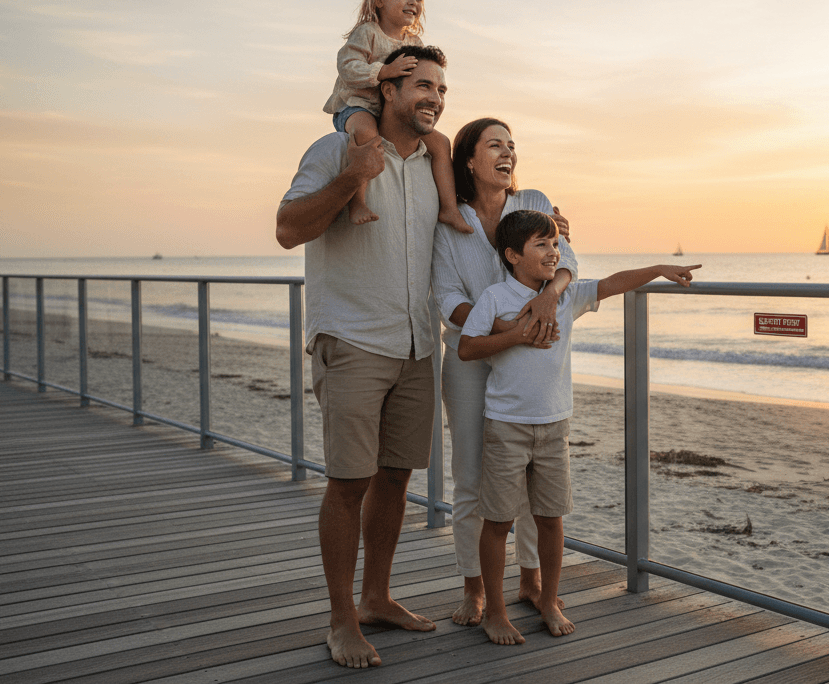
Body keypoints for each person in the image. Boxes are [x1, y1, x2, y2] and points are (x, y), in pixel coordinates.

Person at [278, 44, 450, 669]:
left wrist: (545, 219)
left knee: (398, 477)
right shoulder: (334, 150)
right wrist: (354, 177)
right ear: (389, 88)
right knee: (349, 482)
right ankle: (341, 618)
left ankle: (377, 597)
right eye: (421, 84)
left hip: (416, 341)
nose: (433, 96)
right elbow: (287, 227)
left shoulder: (437, 163)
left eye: (440, 88)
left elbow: (475, 220)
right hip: (350, 338)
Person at [459, 209, 700, 644]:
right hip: (506, 426)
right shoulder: (495, 298)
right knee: (497, 521)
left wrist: (660, 269)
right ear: (513, 255)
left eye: (555, 244)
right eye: (542, 245)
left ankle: (548, 600)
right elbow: (467, 348)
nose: (553, 253)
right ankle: (495, 612)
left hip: (554, 426)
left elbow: (612, 283)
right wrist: (515, 335)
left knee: (551, 518)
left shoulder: (566, 298)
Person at [432, 117, 576, 628]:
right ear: (469, 160)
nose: (508, 152)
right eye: (495, 145)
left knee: (535, 478)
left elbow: (567, 263)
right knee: (471, 474)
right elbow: (446, 294)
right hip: (472, 357)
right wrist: (494, 326)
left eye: (512, 145)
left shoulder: (533, 200)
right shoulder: (450, 218)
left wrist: (547, 303)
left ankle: (532, 580)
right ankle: (474, 588)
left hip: (532, 354)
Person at [322, 0, 470, 234]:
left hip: (393, 112)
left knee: (440, 143)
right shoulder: (367, 33)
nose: (413, 2)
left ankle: (449, 208)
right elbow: (347, 67)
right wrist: (383, 72)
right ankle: (358, 202)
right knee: (367, 135)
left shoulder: (413, 43)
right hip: (357, 105)